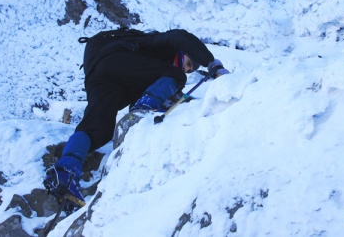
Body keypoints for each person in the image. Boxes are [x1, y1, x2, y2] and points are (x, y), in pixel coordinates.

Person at [43, 28, 229, 206]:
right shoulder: (162, 45)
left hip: (98, 73)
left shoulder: (149, 72)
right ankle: (145, 108)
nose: (186, 69)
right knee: (176, 76)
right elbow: (181, 36)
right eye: (188, 63)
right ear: (182, 53)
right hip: (116, 58)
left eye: (190, 69)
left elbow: (141, 97)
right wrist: (212, 62)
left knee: (99, 128)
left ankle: (65, 170)